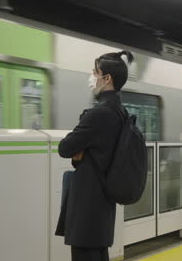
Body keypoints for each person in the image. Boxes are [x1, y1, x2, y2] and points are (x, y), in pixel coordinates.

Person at [55, 50, 134, 261]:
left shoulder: (99, 113)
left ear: (107, 78)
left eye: (94, 72)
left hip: (86, 206)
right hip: (103, 204)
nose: (91, 76)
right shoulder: (121, 113)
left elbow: (65, 148)